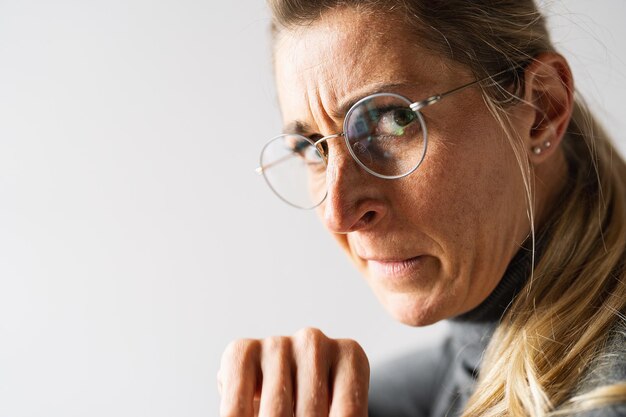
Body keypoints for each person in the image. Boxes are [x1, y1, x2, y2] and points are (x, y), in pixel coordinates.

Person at [218, 1, 626, 416]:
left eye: (393, 121)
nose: (338, 214)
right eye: (312, 148)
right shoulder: (397, 397)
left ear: (541, 108)